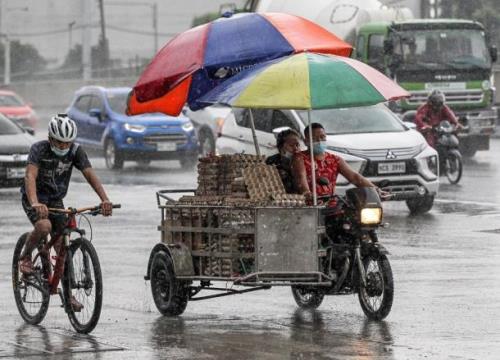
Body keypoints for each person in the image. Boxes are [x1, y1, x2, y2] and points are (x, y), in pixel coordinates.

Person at [19, 114, 113, 310]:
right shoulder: (38, 149)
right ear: (51, 138)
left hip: (55, 199)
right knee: (44, 226)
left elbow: (89, 173)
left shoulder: (76, 151)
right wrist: (35, 202)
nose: (63, 147)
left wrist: (104, 199)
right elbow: (30, 175)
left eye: (67, 143)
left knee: (63, 246)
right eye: (59, 143)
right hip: (35, 197)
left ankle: (68, 295)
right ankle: (26, 256)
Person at [292, 123, 377, 205]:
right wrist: (307, 193)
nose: (320, 141)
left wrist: (375, 190)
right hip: (309, 206)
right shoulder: (299, 158)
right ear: (306, 141)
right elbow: (300, 176)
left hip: (331, 204)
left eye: (322, 137)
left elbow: (355, 177)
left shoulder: (335, 159)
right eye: (314, 138)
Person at [265, 129, 301, 193]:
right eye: (291, 145)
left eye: (297, 145)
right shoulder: (272, 161)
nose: (296, 148)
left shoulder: (303, 161)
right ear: (280, 147)